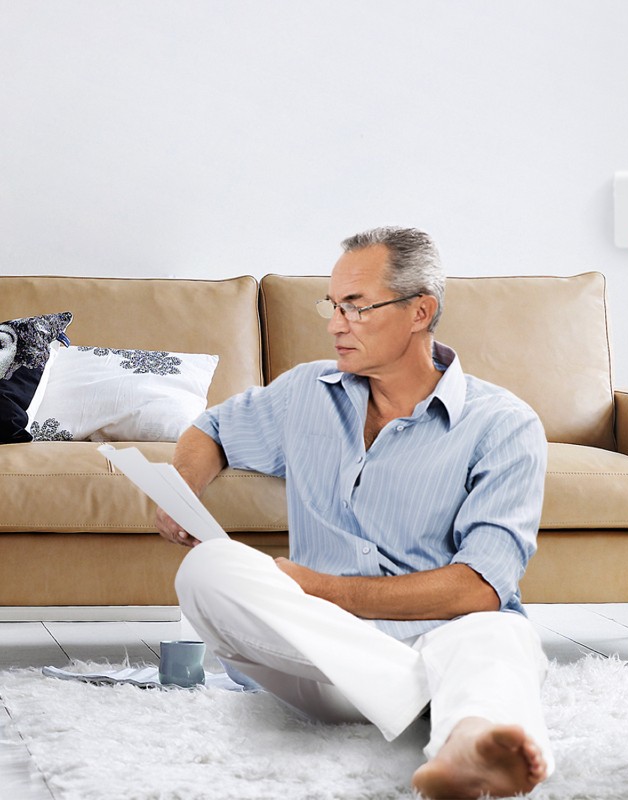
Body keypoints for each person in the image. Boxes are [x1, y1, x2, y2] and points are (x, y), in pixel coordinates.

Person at [156, 226, 554, 798]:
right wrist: (184, 487)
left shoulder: (503, 424)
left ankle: (469, 745)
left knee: (496, 634)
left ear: (421, 311)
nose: (335, 323)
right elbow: (211, 428)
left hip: (441, 638)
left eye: (357, 307)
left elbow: (481, 587)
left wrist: (318, 589)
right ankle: (435, 704)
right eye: (333, 304)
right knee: (205, 569)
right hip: (317, 661)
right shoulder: (304, 392)